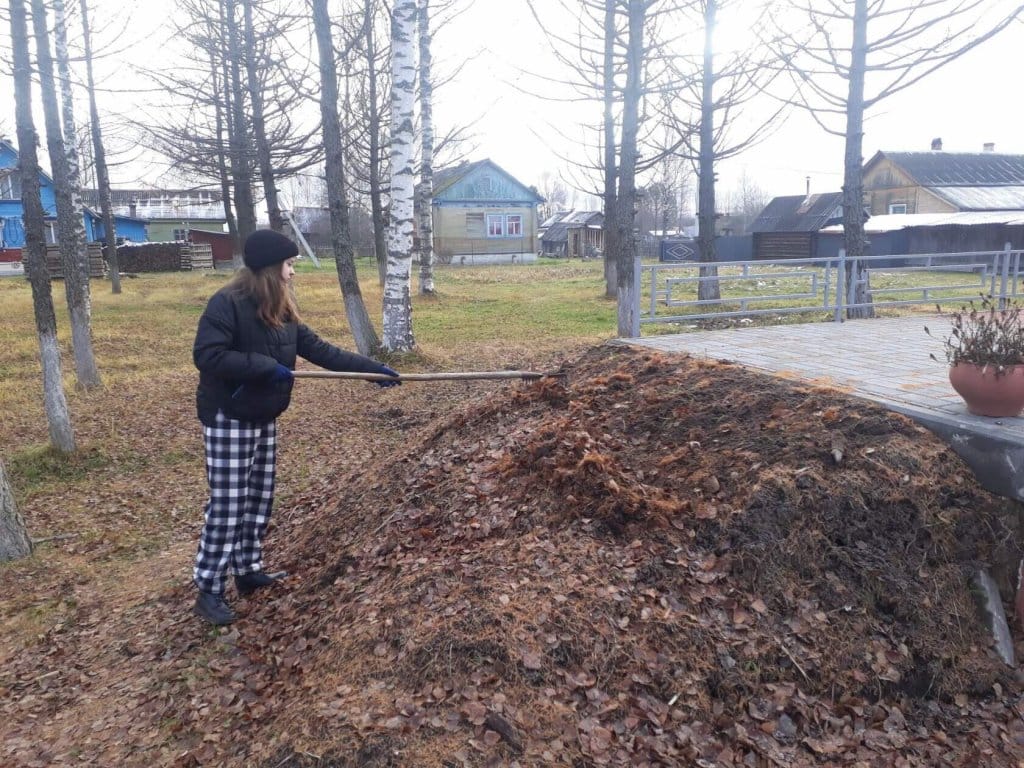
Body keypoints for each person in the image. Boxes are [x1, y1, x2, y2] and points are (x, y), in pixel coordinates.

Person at [190, 229, 400, 626]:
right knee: (229, 503)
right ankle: (209, 588)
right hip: (229, 416)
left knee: (258, 499)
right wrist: (264, 368)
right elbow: (207, 355)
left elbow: (319, 350)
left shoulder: (281, 310)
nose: (293, 273)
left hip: (263, 413)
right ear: (271, 269)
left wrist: (370, 370)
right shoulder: (226, 304)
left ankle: (248, 570)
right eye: (289, 265)